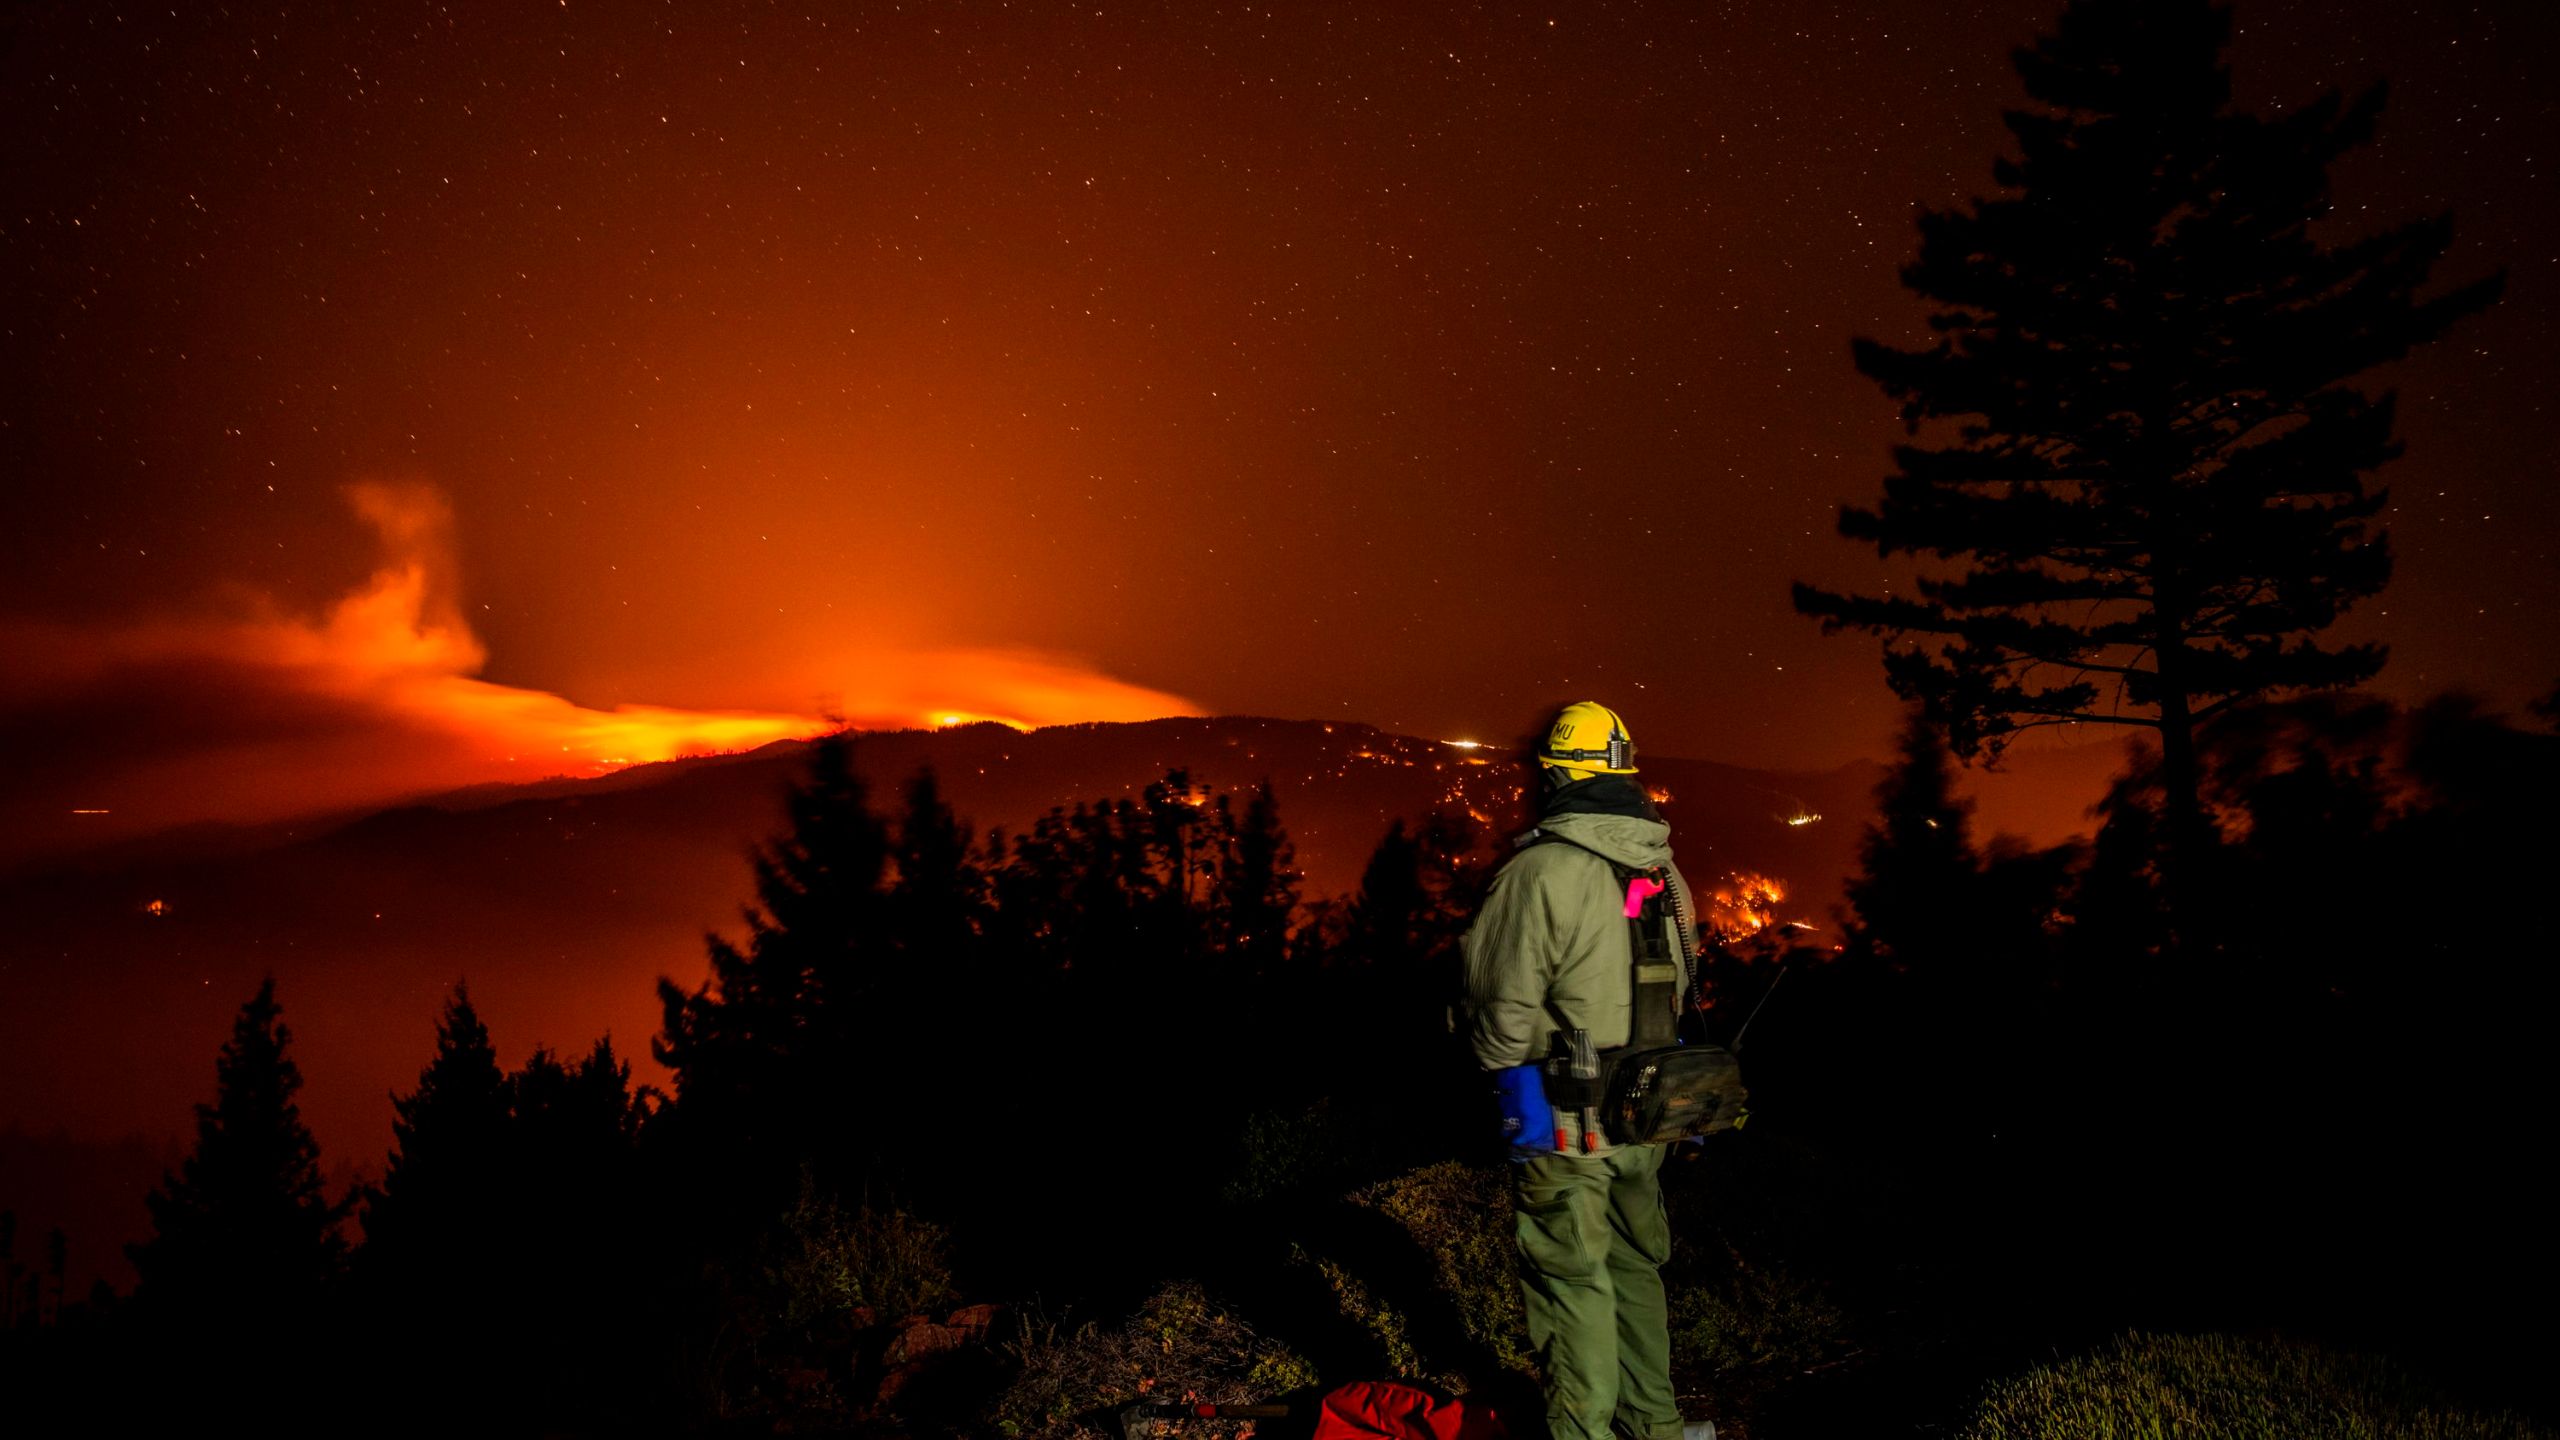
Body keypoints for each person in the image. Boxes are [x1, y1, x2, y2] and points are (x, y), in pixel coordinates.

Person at [1462, 701, 1702, 1440]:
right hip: (1647, 1119)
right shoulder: (1664, 871)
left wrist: (1509, 1083)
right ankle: (1653, 1429)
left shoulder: (1540, 871)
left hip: (1568, 1124)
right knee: (1634, 1272)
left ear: (1554, 773)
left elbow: (1498, 1006)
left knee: (1573, 1285)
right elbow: (1684, 985)